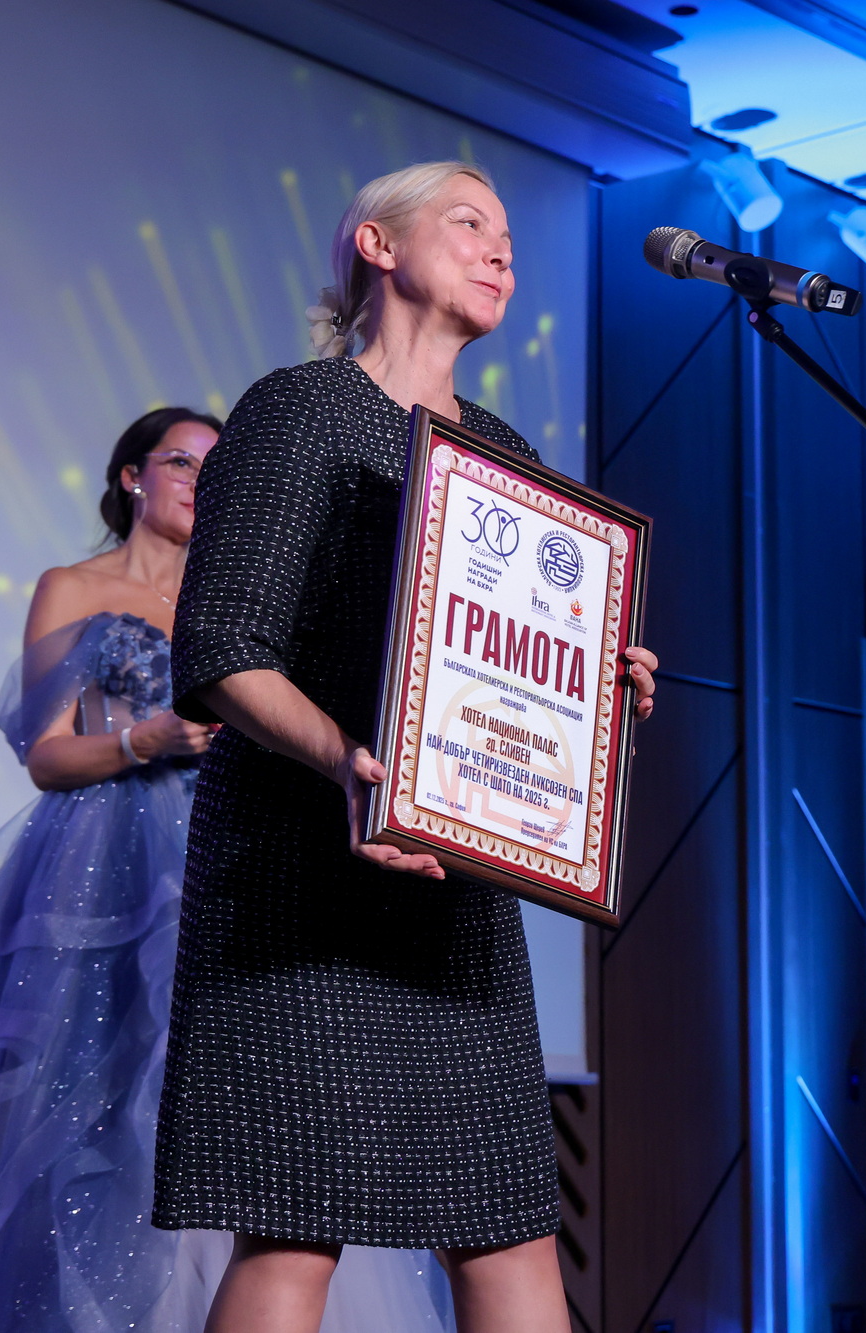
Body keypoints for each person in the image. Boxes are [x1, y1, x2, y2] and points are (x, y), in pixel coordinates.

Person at [155, 162, 660, 1333]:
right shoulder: (298, 408)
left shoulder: (505, 450)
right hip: (297, 878)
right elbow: (222, 645)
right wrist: (346, 762)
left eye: (509, 235)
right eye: (467, 221)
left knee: (510, 1231)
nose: (501, 249)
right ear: (377, 247)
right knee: (291, 1229)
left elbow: (501, 660)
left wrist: (589, 687)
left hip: (449, 899)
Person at [0, 408, 454, 1333]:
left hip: (231, 854)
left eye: (216, 469)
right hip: (104, 863)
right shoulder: (74, 586)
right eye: (183, 462)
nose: (200, 482)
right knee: (98, 1097)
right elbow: (45, 755)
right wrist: (140, 739)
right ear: (132, 475)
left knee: (240, 1098)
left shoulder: (240, 596)